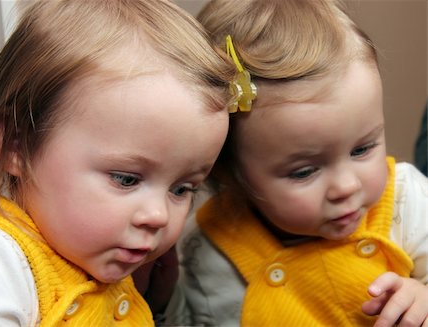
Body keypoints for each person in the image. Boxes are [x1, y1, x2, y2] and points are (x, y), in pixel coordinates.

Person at [163, 0, 428, 326]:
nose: (347, 186)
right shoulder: (213, 251)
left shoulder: (408, 201)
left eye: (362, 150)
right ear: (229, 172)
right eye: (304, 171)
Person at [0, 0, 236, 325]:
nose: (158, 216)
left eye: (182, 189)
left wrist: (160, 303)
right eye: (126, 179)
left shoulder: (98, 257)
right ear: (17, 145)